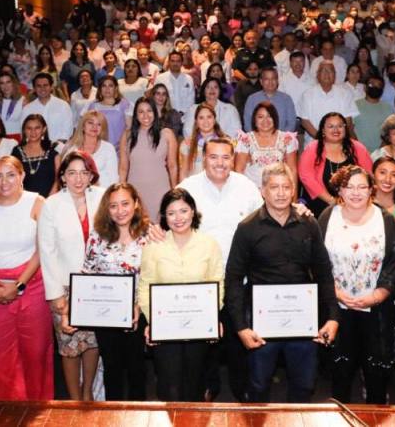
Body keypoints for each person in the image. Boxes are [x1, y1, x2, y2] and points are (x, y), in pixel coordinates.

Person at [225, 163, 340, 403]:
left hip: (303, 321)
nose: (280, 193)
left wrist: (332, 317)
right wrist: (241, 327)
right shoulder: (247, 228)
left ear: (293, 190)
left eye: (286, 187)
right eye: (274, 187)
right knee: (258, 386)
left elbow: (323, 272)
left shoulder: (309, 224)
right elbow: (234, 279)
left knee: (305, 385)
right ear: (263, 191)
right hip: (261, 324)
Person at [177, 137, 264, 401]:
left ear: (233, 159)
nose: (220, 163)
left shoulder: (246, 187)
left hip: (239, 278)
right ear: (204, 158)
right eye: (214, 157)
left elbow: (265, 220)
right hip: (200, 279)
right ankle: (208, 386)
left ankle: (241, 390)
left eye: (226, 157)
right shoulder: (187, 188)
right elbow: (169, 220)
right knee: (205, 340)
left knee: (238, 337)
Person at [318, 165, 395, 403]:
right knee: (340, 370)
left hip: (376, 309)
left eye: (362, 187)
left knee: (376, 370)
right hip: (337, 307)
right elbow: (315, 260)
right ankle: (339, 412)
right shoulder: (327, 217)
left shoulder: (385, 220)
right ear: (340, 190)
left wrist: (378, 295)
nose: (355, 193)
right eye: (349, 187)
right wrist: (334, 292)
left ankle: (376, 411)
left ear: (371, 190)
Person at [0, 156, 53, 400]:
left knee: (35, 351)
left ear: (22, 176)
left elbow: (42, 249)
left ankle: (37, 408)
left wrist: (19, 285)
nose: (4, 182)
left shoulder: (37, 202)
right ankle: (3, 410)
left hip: (32, 285)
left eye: (10, 175)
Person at [138, 189, 224, 402]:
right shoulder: (154, 245)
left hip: (199, 327)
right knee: (170, 388)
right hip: (165, 328)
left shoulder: (209, 244)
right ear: (164, 217)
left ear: (193, 211)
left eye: (183, 211)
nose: (178, 218)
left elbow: (217, 283)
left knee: (195, 384)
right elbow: (145, 285)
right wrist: (152, 321)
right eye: (171, 213)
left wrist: (213, 317)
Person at [39, 150, 104, 400]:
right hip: (64, 286)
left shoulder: (103, 197)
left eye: (84, 173)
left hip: (96, 286)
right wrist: (55, 294)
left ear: (91, 175)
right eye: (72, 173)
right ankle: (74, 400)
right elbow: (47, 251)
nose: (78, 179)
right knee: (69, 346)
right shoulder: (51, 204)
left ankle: (88, 394)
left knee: (92, 342)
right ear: (63, 176)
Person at [81, 182, 150, 400]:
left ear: (136, 203)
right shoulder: (97, 236)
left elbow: (156, 276)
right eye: (113, 206)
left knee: (137, 369)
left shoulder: (150, 235)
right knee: (112, 369)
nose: (120, 211)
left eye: (125, 204)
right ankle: (112, 414)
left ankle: (139, 416)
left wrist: (139, 305)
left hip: (138, 314)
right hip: (106, 315)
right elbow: (88, 272)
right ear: (107, 209)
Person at [298, 112, 373, 216]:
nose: (336, 130)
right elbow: (306, 177)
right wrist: (331, 201)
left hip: (353, 203)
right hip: (319, 204)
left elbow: (369, 175)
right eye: (331, 126)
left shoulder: (357, 148)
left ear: (345, 128)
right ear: (323, 130)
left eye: (340, 126)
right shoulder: (313, 148)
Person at [119, 97, 178, 221]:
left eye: (149, 110)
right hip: (135, 190)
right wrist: (121, 189)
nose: (145, 115)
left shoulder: (167, 134)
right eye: (141, 111)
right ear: (136, 115)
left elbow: (172, 166)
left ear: (155, 112)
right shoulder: (127, 135)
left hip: (160, 190)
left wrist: (175, 191)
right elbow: (123, 167)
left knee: (161, 228)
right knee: (136, 227)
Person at [234, 102, 299, 187]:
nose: (265, 120)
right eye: (260, 117)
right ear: (254, 120)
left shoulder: (287, 139)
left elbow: (292, 170)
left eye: (269, 116)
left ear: (275, 118)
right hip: (252, 190)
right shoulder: (245, 140)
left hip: (279, 189)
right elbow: (239, 170)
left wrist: (293, 194)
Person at [298, 61, 360, 145]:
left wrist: (335, 139)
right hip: (314, 143)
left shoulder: (345, 94)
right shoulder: (307, 94)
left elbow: (348, 120)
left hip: (338, 143)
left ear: (335, 75)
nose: (327, 73)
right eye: (323, 70)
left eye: (330, 70)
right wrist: (321, 139)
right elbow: (305, 121)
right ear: (318, 75)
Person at [58, 111, 119, 189]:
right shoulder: (72, 150)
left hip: (103, 193)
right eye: (90, 123)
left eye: (99, 124)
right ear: (83, 126)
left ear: (102, 129)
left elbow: (114, 179)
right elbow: (64, 178)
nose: (94, 127)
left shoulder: (108, 148)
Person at [11, 114, 59, 197]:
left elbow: (58, 180)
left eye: (37, 128)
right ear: (24, 130)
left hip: (50, 200)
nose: (33, 132)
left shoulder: (53, 152)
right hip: (24, 199)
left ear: (44, 129)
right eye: (29, 128)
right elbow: (13, 178)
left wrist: (49, 200)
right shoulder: (16, 152)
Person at [22, 72, 75, 144]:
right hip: (35, 147)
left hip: (59, 147)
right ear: (34, 88)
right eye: (39, 86)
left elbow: (68, 131)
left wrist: (55, 147)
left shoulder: (63, 106)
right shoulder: (28, 109)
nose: (42, 88)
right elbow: (24, 132)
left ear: (51, 87)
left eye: (45, 85)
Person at [241, 67, 297, 133]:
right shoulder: (252, 99)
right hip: (257, 138)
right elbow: (248, 124)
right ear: (261, 81)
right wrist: (258, 137)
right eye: (267, 79)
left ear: (277, 81)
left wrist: (280, 138)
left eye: (273, 79)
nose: (270, 82)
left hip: (282, 138)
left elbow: (291, 123)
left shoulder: (286, 99)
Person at [179, 103, 225, 181]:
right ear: (196, 122)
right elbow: (183, 173)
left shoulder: (225, 143)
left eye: (209, 117)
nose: (205, 121)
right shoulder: (187, 144)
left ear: (214, 120)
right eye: (201, 118)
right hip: (195, 187)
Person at [84, 75, 132, 148]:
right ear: (100, 89)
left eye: (110, 86)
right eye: (104, 86)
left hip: (120, 148)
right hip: (97, 147)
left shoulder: (124, 104)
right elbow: (87, 128)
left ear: (116, 88)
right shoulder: (93, 105)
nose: (107, 89)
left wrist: (121, 145)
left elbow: (129, 128)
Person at [355, 73, 395, 152]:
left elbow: (390, 132)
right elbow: (349, 129)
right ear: (365, 87)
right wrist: (359, 149)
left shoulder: (388, 108)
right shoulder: (355, 105)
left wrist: (379, 152)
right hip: (358, 152)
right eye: (371, 84)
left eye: (379, 85)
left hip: (382, 152)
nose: (375, 87)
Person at [155, 51, 197, 117]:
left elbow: (191, 100)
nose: (175, 63)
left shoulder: (189, 79)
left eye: (178, 61)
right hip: (165, 117)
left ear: (182, 63)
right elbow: (156, 99)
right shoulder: (160, 78)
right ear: (169, 62)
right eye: (172, 61)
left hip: (186, 117)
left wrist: (182, 113)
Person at [0, 72, 26, 138]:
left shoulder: (23, 100)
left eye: (8, 82)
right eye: (2, 83)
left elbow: (26, 124)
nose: (6, 86)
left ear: (13, 83)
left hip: (17, 137)